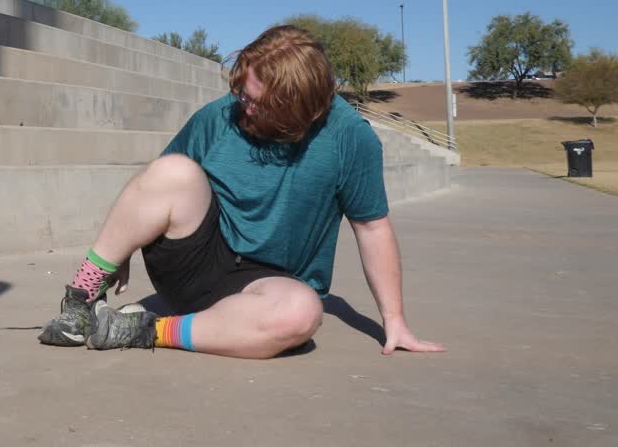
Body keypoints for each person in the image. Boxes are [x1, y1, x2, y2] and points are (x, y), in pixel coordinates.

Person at [37, 25, 445, 358]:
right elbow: (154, 188)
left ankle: (138, 329)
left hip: (268, 284)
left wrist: (395, 321)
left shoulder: (349, 140)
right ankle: (79, 302)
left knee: (302, 313)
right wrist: (121, 251)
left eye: (254, 101)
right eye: (240, 92)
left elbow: (372, 228)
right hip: (194, 261)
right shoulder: (218, 117)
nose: (241, 105)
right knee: (174, 170)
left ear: (295, 106)